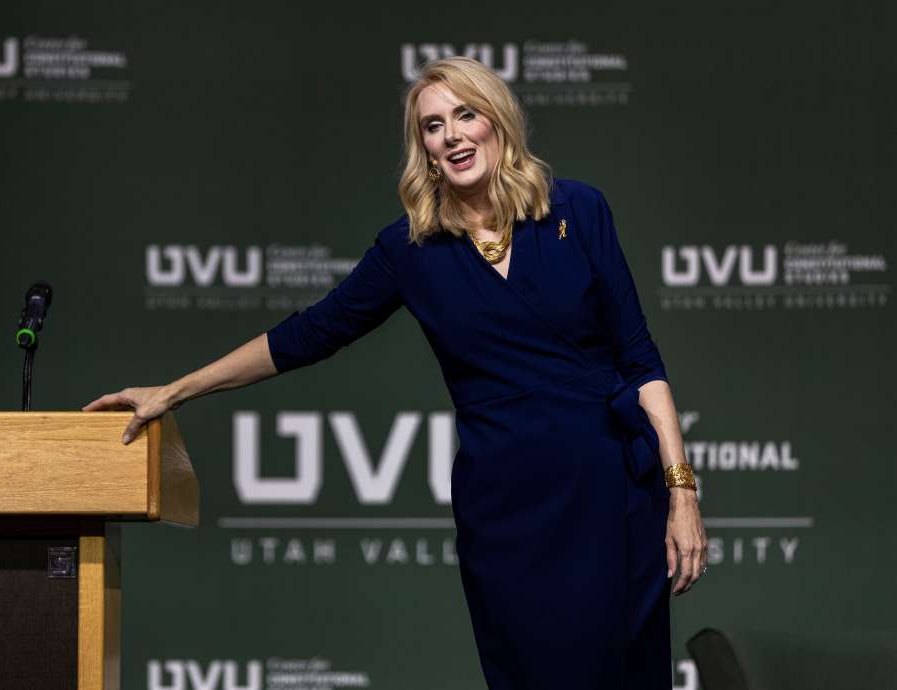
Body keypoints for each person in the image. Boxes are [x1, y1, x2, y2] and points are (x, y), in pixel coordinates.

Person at [83, 56, 707, 689]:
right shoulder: (410, 250)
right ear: (425, 151)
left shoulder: (579, 210)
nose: (453, 135)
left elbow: (640, 361)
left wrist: (680, 490)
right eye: (434, 126)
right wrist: (177, 389)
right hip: (510, 512)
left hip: (612, 495)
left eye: (466, 114)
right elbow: (308, 334)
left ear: (499, 121)